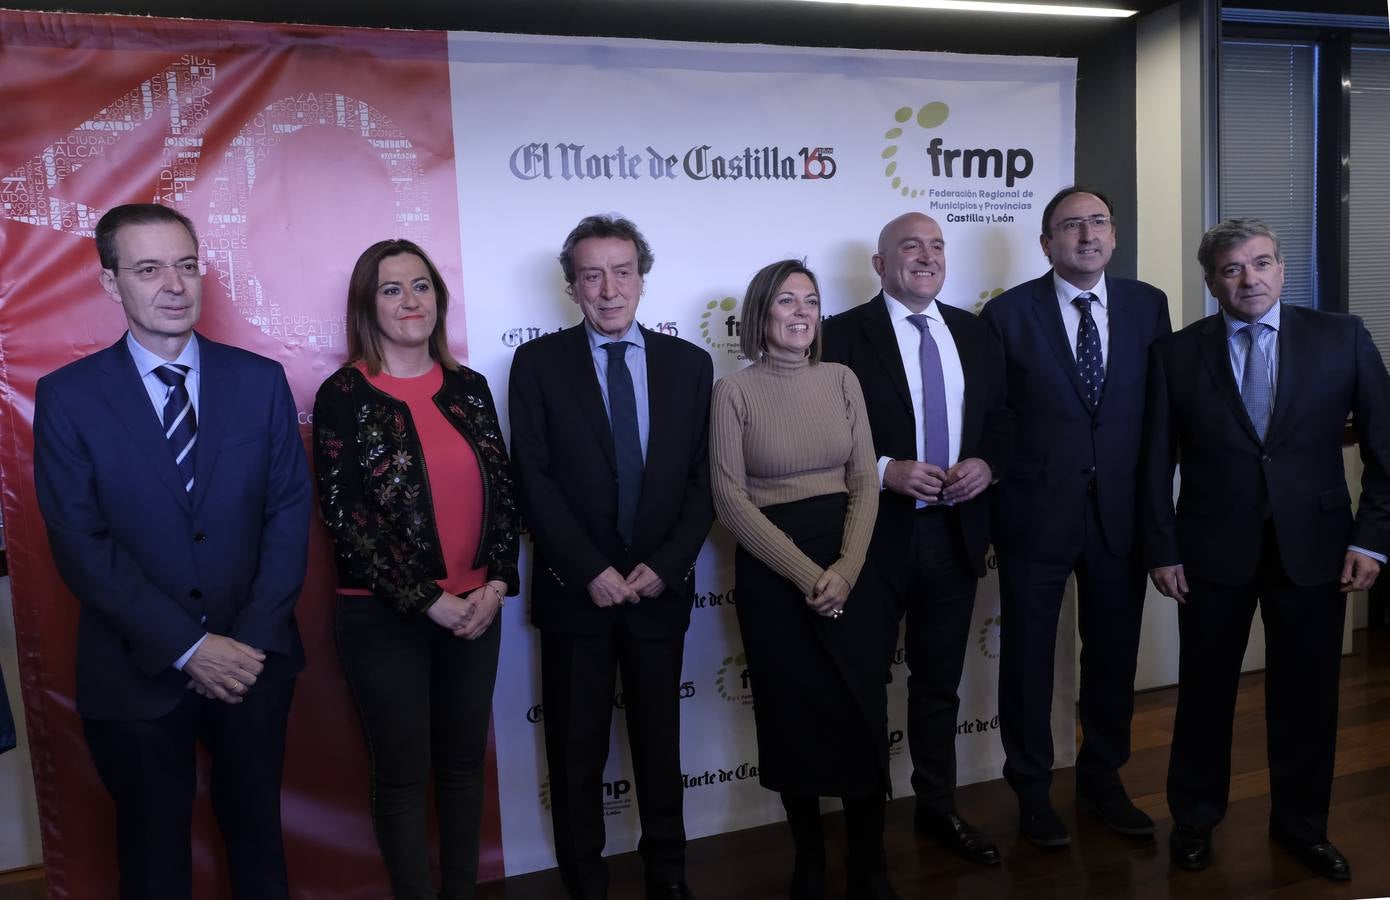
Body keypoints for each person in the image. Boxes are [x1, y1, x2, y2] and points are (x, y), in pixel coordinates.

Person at [33, 203, 311, 900]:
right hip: (136, 672)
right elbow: (80, 544)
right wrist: (192, 648)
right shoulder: (68, 398)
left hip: (253, 664)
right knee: (154, 866)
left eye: (186, 265)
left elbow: (288, 515)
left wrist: (242, 646)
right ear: (109, 283)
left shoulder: (259, 380)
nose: (174, 284)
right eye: (149, 268)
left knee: (259, 850)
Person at [1142, 218, 1390, 880]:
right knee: (1204, 694)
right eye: (1232, 268)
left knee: (1308, 699)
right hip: (1209, 552)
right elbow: (1153, 462)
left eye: (1261, 263)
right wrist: (1162, 549)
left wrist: (1373, 540)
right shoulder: (1177, 353)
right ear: (1211, 281)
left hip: (1316, 549)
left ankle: (1302, 827)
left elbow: (1384, 448)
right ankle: (1194, 820)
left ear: (1283, 268)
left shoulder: (1342, 338)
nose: (1249, 278)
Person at [508, 214, 714, 900]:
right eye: (591, 274)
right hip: (578, 594)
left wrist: (670, 563)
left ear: (642, 278)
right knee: (575, 754)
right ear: (571, 287)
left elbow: (702, 479)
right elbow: (530, 479)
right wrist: (588, 569)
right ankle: (585, 886)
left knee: (660, 748)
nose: (608, 288)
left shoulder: (690, 366)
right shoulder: (537, 364)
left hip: (660, 588)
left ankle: (670, 879)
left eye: (622, 271)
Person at [312, 239, 520, 899]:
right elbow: (347, 519)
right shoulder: (343, 394)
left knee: (463, 770)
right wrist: (428, 600)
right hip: (384, 619)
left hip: (476, 612)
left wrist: (496, 583)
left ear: (439, 298)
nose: (411, 302)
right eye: (393, 289)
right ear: (367, 306)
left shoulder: (469, 388)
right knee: (402, 778)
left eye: (422, 286)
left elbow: (505, 496)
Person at [979, 187, 1171, 847]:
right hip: (1034, 515)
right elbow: (993, 419)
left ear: (1113, 236)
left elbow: (1158, 421)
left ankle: (1103, 779)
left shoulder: (1148, 306)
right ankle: (1032, 791)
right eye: (1070, 226)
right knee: (1029, 661)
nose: (1086, 235)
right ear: (1046, 244)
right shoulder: (1006, 314)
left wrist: (1158, 523)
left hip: (1119, 517)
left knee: (1113, 657)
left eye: (1097, 223)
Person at [822, 213, 1009, 867]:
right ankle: (865, 825)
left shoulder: (974, 331)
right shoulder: (840, 335)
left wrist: (988, 462)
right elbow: (818, 439)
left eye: (936, 246)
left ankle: (937, 808)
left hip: (955, 536)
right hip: (872, 540)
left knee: (937, 687)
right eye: (910, 246)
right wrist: (883, 471)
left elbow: (1004, 419)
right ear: (879, 265)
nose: (926, 257)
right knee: (863, 686)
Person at [712, 259, 896, 900]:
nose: (800, 313)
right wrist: (807, 573)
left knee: (861, 713)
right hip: (775, 571)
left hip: (852, 562)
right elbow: (729, 498)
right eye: (786, 301)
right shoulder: (733, 392)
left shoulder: (843, 378)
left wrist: (845, 569)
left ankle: (869, 862)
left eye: (810, 302)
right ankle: (810, 859)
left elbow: (867, 478)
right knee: (793, 718)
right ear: (761, 313)